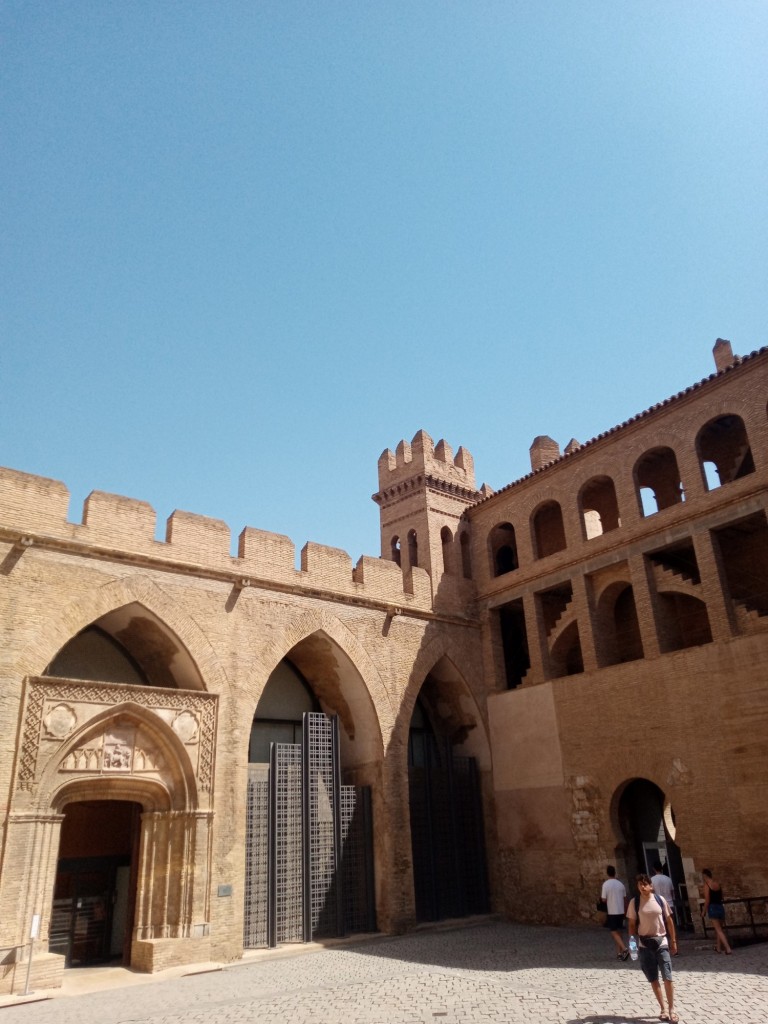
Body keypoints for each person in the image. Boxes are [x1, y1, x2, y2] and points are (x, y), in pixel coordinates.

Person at [627, 873, 678, 1022]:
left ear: (651, 885)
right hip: (644, 944)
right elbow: (631, 925)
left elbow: (669, 921)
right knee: (653, 978)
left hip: (661, 943)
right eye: (640, 884)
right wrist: (632, 945)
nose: (642, 887)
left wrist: (673, 941)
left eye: (645, 884)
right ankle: (662, 1008)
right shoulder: (634, 903)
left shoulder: (660, 900)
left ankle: (672, 1009)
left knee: (667, 977)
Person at [601, 865, 629, 960]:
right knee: (619, 932)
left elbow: (603, 899)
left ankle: (624, 949)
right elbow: (625, 898)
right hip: (621, 910)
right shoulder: (620, 884)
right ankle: (619, 953)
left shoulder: (606, 884)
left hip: (612, 911)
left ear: (607, 873)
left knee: (613, 932)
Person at [702, 868, 732, 954]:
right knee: (719, 929)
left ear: (705, 876)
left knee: (718, 930)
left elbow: (707, 899)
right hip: (720, 906)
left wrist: (704, 911)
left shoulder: (707, 885)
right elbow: (722, 896)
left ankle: (727, 948)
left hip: (713, 907)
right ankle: (718, 948)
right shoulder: (717, 884)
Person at [651, 861, 676, 926]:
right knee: (671, 924)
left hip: (658, 905)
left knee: (662, 925)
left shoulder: (652, 880)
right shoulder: (668, 879)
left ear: (653, 869)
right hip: (669, 904)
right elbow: (672, 892)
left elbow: (652, 893)